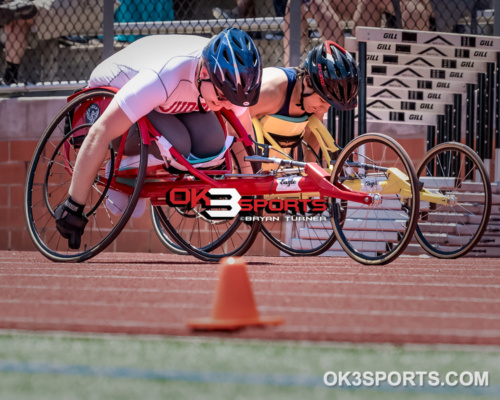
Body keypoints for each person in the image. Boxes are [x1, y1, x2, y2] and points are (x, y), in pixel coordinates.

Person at [54, 28, 263, 249]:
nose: (227, 106)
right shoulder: (163, 77)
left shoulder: (230, 82)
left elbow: (246, 141)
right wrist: (74, 205)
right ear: (204, 74)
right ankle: (124, 168)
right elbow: (100, 131)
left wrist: (250, 194)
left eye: (233, 100)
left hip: (172, 95)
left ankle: (148, 164)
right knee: (178, 145)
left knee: (213, 143)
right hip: (127, 84)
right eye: (222, 97)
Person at [250, 40, 359, 161]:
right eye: (323, 101)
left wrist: (311, 169)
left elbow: (312, 134)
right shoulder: (270, 91)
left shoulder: (314, 96)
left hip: (270, 168)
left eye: (330, 105)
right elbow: (233, 128)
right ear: (307, 81)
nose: (325, 109)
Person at [0, 0, 106, 85]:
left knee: (22, 13)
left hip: (87, 7)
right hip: (47, 13)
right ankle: (9, 78)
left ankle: (9, 77)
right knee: (18, 18)